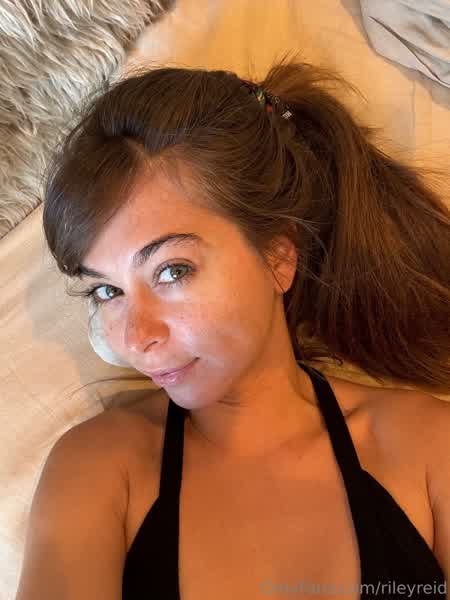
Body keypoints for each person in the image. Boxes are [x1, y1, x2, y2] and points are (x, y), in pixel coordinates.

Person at [16, 51, 449, 599]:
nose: (137, 337)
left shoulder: (428, 447)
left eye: (172, 270)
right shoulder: (99, 472)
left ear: (278, 256)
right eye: (108, 291)